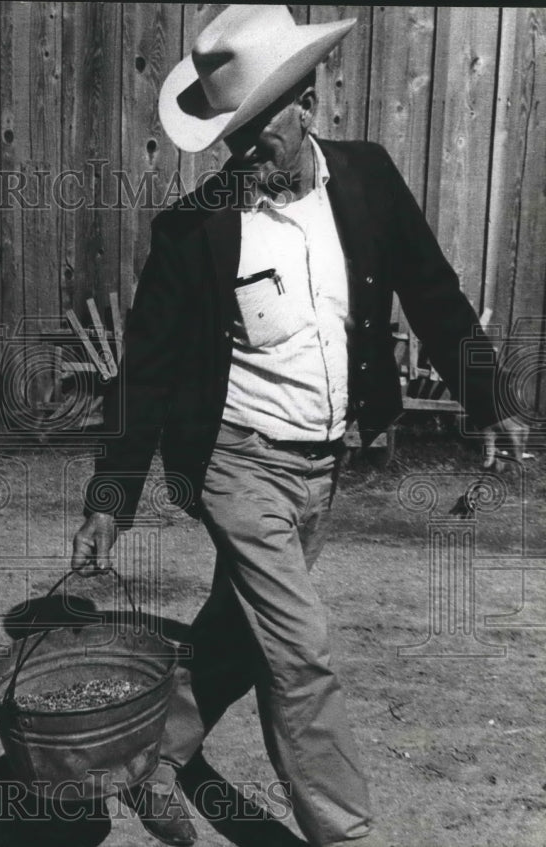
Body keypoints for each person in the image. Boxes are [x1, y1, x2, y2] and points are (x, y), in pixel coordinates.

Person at [69, 6, 528, 847]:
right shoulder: (195, 230)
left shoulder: (368, 180)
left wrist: (488, 396)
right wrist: (112, 492)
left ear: (305, 102)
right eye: (231, 139)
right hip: (234, 463)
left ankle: (151, 759)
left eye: (259, 131)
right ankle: (344, 833)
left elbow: (432, 290)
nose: (247, 154)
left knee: (241, 630)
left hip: (324, 464)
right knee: (302, 651)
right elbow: (146, 367)